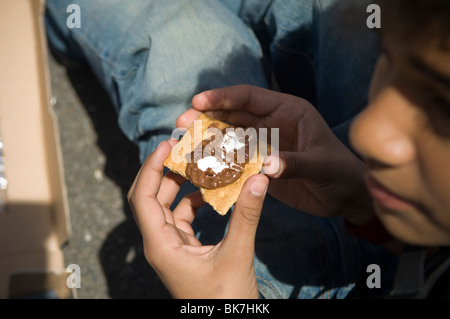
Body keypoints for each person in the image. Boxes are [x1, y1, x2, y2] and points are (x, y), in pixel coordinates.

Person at [45, 0, 448, 298]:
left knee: (186, 35)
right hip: (403, 236)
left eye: (442, 107)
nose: (368, 135)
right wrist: (363, 201)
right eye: (391, 59)